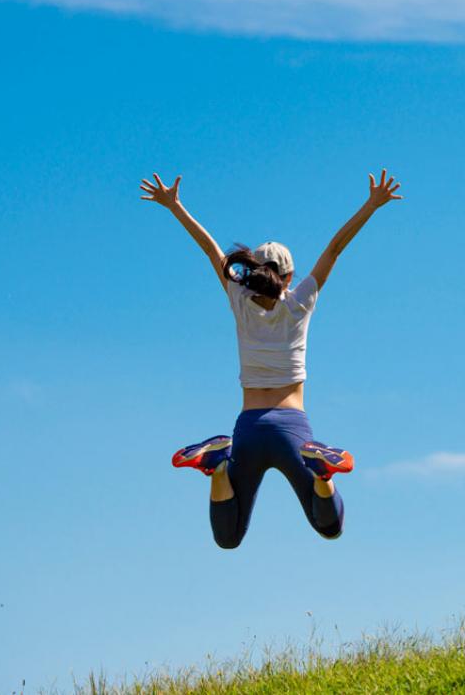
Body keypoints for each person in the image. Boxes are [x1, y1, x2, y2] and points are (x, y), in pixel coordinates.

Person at [139, 169, 403, 548]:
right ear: (290, 274)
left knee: (228, 537)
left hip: (248, 429)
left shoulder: (239, 300)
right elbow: (334, 249)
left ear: (250, 272)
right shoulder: (300, 302)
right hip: (291, 427)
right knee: (329, 526)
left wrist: (174, 206)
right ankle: (322, 474)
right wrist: (372, 205)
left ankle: (216, 469)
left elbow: (209, 248)